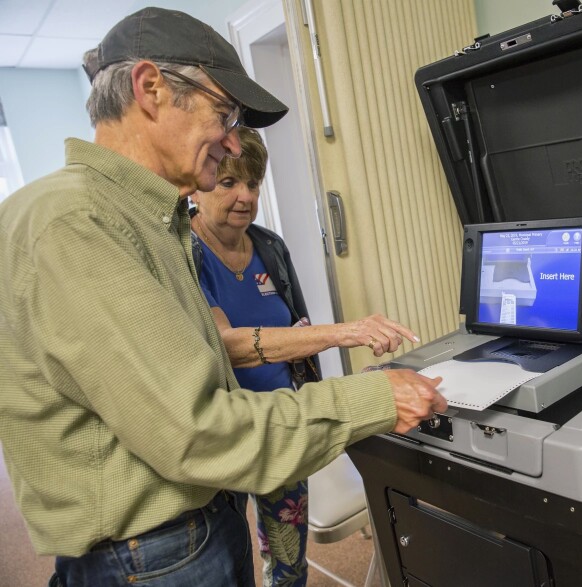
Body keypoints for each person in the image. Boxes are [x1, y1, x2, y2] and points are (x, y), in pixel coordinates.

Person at [0, 7, 446, 587]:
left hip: (198, 523)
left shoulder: (156, 224)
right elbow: (198, 430)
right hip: (153, 555)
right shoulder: (77, 222)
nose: (231, 140)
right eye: (224, 113)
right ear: (151, 88)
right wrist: (371, 398)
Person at [190, 126, 418, 585]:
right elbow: (226, 344)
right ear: (200, 181)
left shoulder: (269, 246)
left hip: (280, 426)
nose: (245, 196)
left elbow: (297, 328)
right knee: (226, 563)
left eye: (253, 183)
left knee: (288, 563)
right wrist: (345, 332)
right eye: (230, 182)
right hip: (221, 429)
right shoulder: (186, 252)